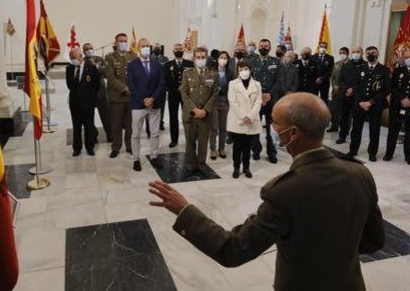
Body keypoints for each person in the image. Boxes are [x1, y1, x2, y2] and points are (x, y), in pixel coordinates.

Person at [148, 92, 385, 290]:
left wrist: (184, 210)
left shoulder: (286, 191)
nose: (271, 127)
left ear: (293, 133)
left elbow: (232, 250)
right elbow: (374, 241)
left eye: (274, 123)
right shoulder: (360, 174)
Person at [127, 38, 166, 172]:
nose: (145, 48)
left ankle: (154, 156)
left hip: (154, 104)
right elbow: (131, 85)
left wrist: (152, 99)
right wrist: (144, 100)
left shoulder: (157, 64)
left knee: (155, 133)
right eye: (142, 46)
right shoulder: (132, 65)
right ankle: (136, 159)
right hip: (138, 104)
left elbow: (162, 84)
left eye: (147, 46)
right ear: (138, 48)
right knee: (136, 134)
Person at [179, 47, 219, 174]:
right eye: (198, 57)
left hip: (205, 115)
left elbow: (215, 93)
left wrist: (205, 110)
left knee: (203, 142)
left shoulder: (213, 74)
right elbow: (183, 92)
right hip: (190, 114)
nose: (200, 59)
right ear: (194, 58)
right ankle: (190, 165)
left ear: (207, 58)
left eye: (203, 57)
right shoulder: (187, 73)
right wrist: (194, 109)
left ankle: (201, 164)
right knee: (190, 142)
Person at [348, 46, 390, 162]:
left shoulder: (384, 70)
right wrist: (361, 102)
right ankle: (353, 150)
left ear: (377, 54)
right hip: (359, 104)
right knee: (356, 129)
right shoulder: (360, 68)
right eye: (368, 53)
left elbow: (386, 90)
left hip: (376, 105)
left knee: (374, 130)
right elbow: (356, 87)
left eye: (373, 53)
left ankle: (372, 153)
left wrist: (371, 102)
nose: (371, 55)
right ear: (365, 55)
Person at [227, 61, 262, 178]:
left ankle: (246, 167)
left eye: (245, 69)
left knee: (247, 147)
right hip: (238, 120)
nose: (243, 71)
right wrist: (243, 116)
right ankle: (236, 167)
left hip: (251, 119)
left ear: (250, 70)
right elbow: (232, 102)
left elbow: (258, 102)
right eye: (241, 69)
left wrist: (250, 116)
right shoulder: (232, 83)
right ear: (237, 71)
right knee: (237, 146)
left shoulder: (257, 84)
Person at [105, 33, 136, 158]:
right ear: (116, 43)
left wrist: (132, 88)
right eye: (120, 41)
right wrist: (124, 88)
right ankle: (116, 147)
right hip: (117, 96)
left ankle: (129, 145)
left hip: (131, 97)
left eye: (125, 40)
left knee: (130, 124)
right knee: (116, 124)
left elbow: (136, 75)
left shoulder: (133, 56)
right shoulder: (110, 57)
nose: (123, 43)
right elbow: (110, 77)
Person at [66, 47, 100, 156]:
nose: (72, 60)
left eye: (74, 58)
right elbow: (70, 85)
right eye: (71, 58)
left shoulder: (91, 67)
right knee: (76, 126)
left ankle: (90, 147)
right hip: (75, 103)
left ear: (81, 56)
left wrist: (89, 95)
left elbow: (97, 84)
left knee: (89, 126)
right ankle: (77, 148)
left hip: (88, 102)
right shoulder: (69, 68)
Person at [251, 39, 281, 164]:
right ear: (258, 47)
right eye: (261, 46)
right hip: (256, 100)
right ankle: (256, 150)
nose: (263, 47)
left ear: (270, 47)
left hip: (271, 100)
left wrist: (269, 94)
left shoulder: (276, 61)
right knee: (255, 128)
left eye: (266, 46)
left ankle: (272, 152)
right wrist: (259, 95)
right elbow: (249, 80)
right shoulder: (252, 61)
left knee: (271, 129)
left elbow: (279, 81)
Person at [164, 43, 193, 148]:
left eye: (180, 49)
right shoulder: (168, 65)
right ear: (173, 51)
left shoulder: (190, 64)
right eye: (176, 49)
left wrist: (183, 88)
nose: (178, 51)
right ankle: (174, 140)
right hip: (173, 94)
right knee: (173, 117)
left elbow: (192, 78)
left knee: (188, 117)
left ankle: (189, 139)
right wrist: (177, 87)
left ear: (183, 50)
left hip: (187, 95)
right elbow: (166, 79)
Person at [83, 42, 112, 143]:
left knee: (106, 117)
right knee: (88, 118)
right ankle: (93, 135)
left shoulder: (99, 59)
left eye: (91, 48)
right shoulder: (82, 62)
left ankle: (110, 135)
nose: (89, 50)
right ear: (83, 51)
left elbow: (107, 71)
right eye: (87, 49)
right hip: (88, 94)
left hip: (101, 93)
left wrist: (96, 66)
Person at [336, 47, 366, 144]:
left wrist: (353, 89)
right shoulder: (346, 65)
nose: (356, 53)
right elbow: (340, 80)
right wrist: (346, 89)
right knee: (343, 118)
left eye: (358, 52)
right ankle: (342, 136)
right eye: (354, 52)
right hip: (345, 96)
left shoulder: (365, 65)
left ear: (362, 53)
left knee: (357, 120)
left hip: (358, 97)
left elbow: (365, 82)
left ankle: (355, 140)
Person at [210, 51, 233, 160]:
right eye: (221, 57)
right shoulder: (211, 70)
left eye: (225, 58)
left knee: (223, 127)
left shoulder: (230, 72)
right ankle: (213, 149)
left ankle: (221, 148)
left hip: (225, 103)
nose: (223, 60)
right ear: (217, 59)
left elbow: (232, 87)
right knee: (214, 127)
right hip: (213, 103)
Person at [328, 47, 350, 132]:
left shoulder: (351, 64)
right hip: (335, 90)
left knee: (345, 112)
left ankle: (345, 130)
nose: (342, 55)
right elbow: (332, 77)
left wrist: (340, 87)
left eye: (344, 53)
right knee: (334, 110)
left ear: (348, 53)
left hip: (345, 91)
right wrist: (334, 86)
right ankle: (334, 126)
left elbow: (349, 79)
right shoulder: (336, 64)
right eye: (340, 53)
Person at [151, 43, 169, 130]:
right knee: (152, 106)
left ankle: (161, 122)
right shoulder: (149, 58)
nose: (157, 49)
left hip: (162, 86)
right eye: (155, 48)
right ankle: (152, 124)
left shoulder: (165, 59)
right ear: (153, 49)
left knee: (162, 106)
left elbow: (167, 72)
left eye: (158, 48)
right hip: (152, 86)